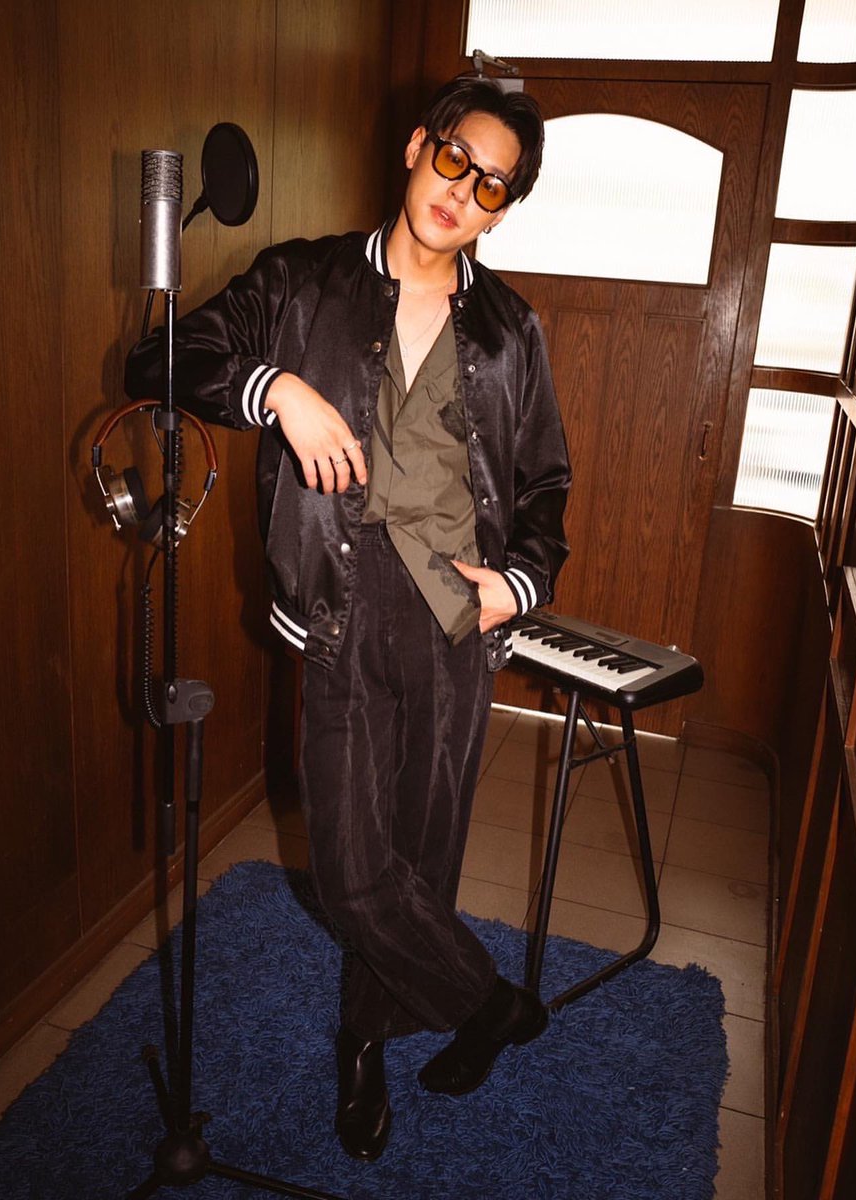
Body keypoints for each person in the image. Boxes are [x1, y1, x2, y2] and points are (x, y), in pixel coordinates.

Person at [125, 75, 571, 1162]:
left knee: (423, 851)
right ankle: (487, 1002)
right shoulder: (300, 281)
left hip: (457, 618)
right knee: (350, 869)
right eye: (456, 159)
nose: (463, 191)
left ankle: (366, 1043)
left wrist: (519, 581)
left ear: (505, 209)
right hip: (336, 611)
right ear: (420, 147)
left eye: (494, 185)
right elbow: (158, 360)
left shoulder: (510, 328)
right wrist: (276, 389)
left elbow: (545, 484)